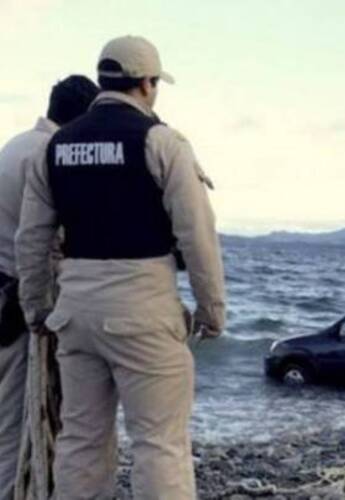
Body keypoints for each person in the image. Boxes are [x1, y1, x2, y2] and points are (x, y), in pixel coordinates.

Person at [16, 35, 226, 499]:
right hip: (143, 309)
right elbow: (197, 235)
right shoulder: (162, 142)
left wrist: (36, 309)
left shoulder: (54, 148)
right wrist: (212, 311)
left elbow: (31, 240)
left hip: (76, 311)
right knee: (159, 443)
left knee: (81, 440)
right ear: (148, 84)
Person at [0, 76, 99, 500]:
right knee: (21, 416)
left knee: (7, 410)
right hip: (21, 300)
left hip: (3, 288)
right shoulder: (49, 156)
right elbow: (47, 239)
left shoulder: (13, 147)